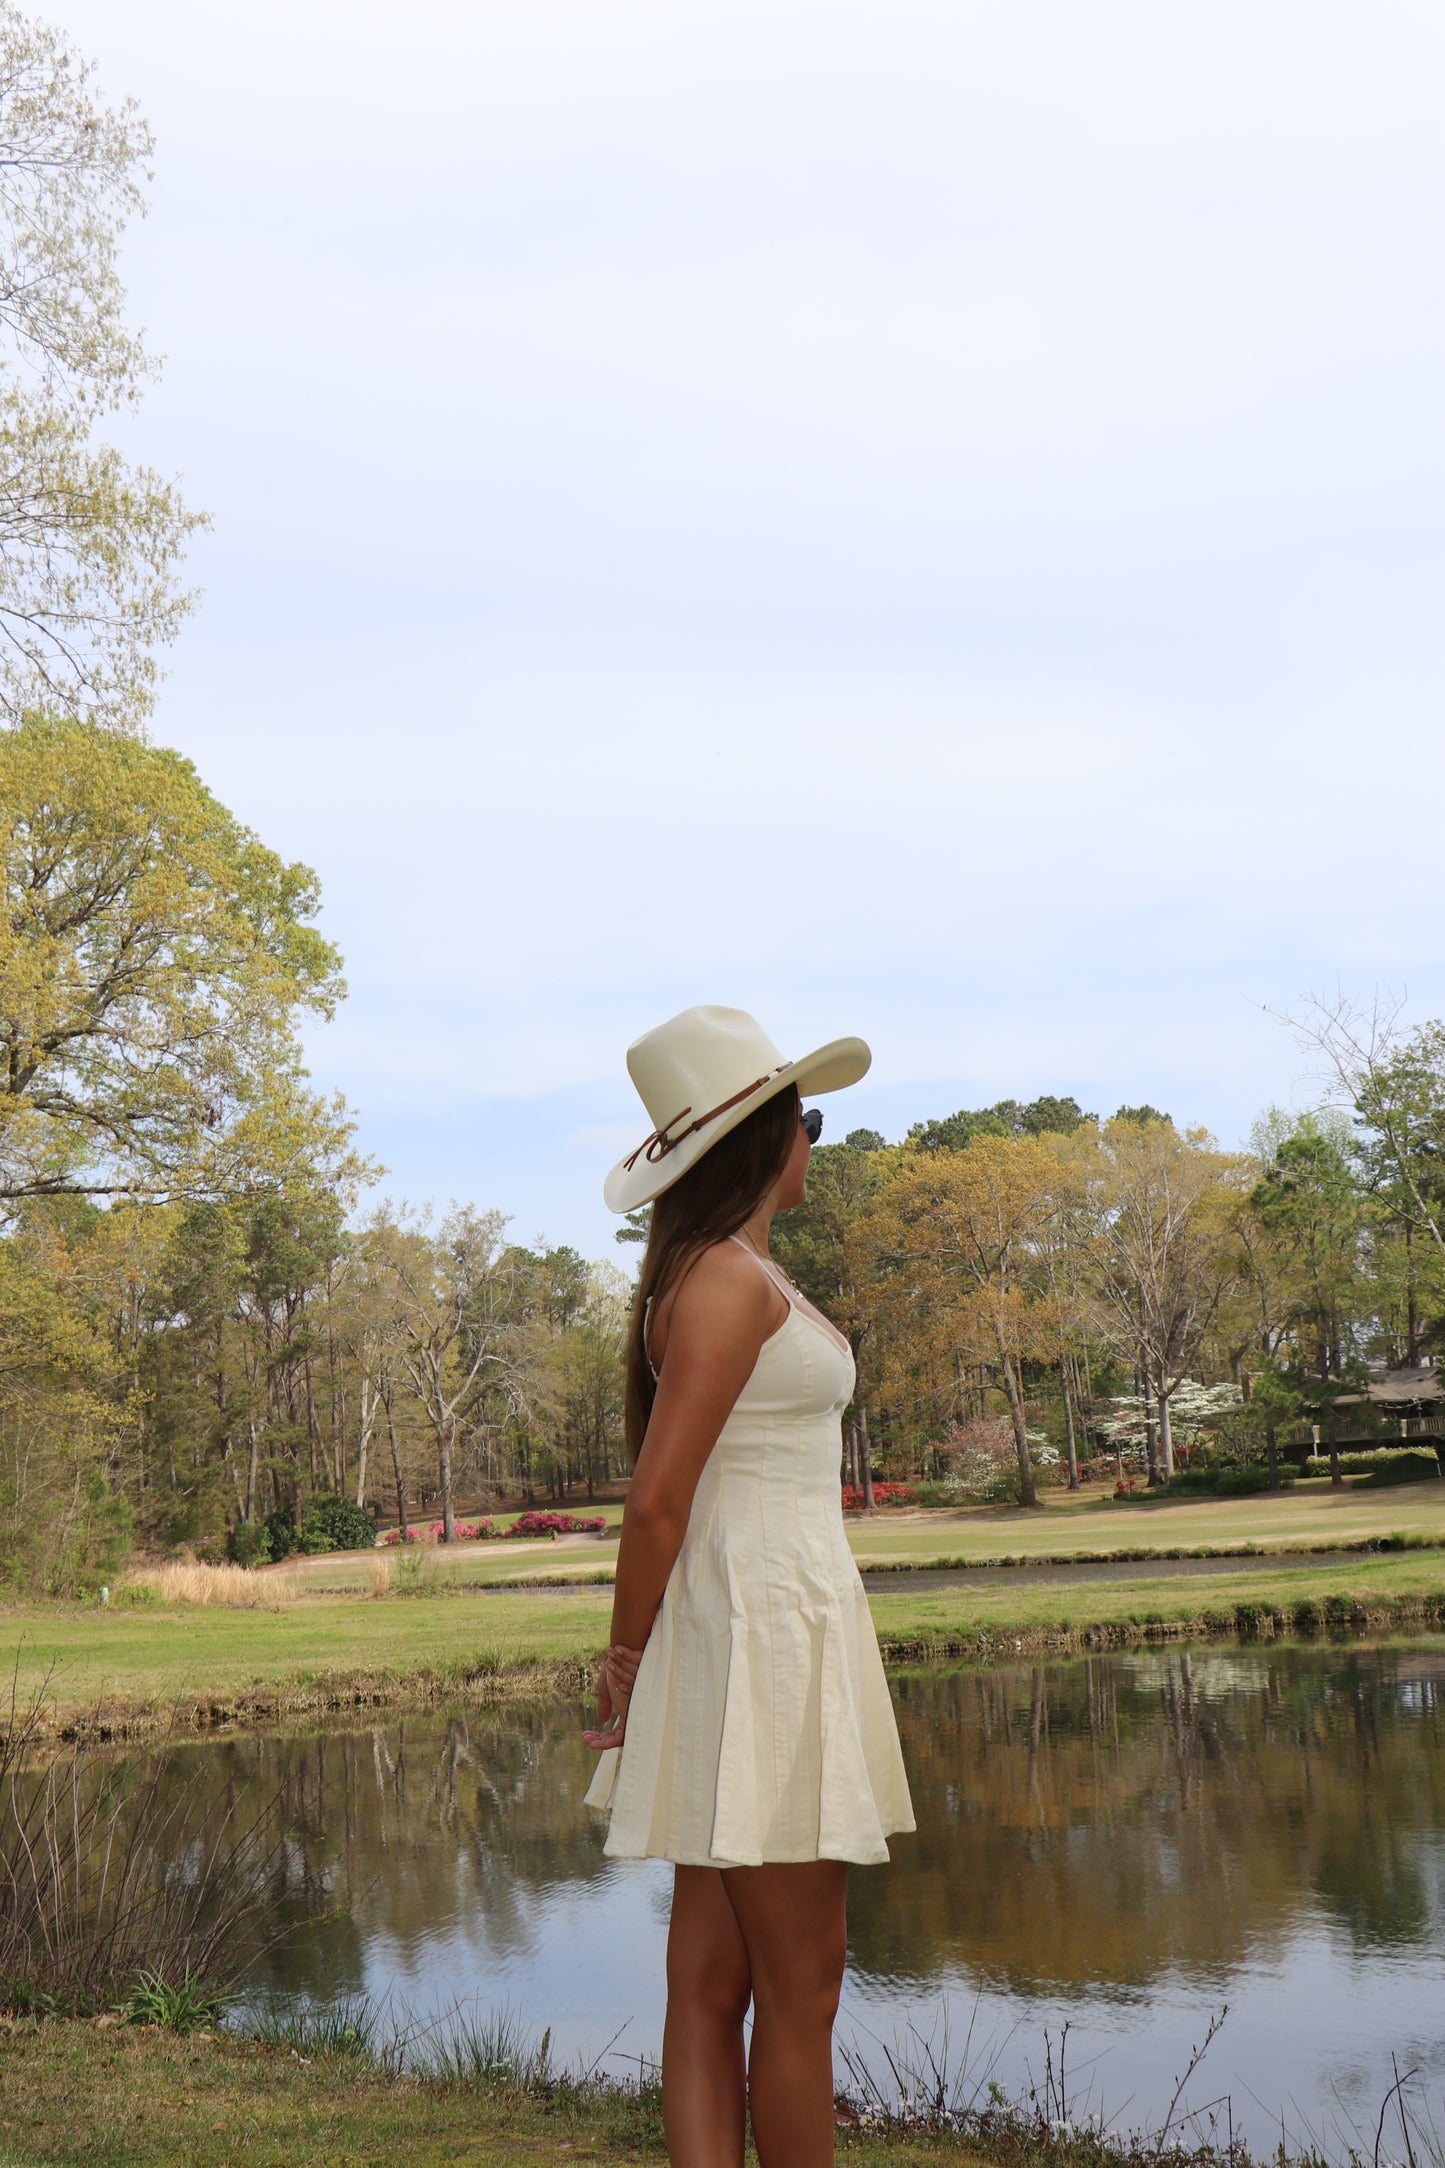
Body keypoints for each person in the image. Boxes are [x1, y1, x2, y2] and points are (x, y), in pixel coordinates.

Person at [583, 1004, 914, 2168]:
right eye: (806, 1120)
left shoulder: (725, 1270)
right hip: (763, 1641)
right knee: (800, 1986)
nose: (813, 1141)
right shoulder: (726, 1279)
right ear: (761, 1139)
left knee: (712, 1977)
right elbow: (656, 1497)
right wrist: (624, 1660)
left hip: (761, 1630)